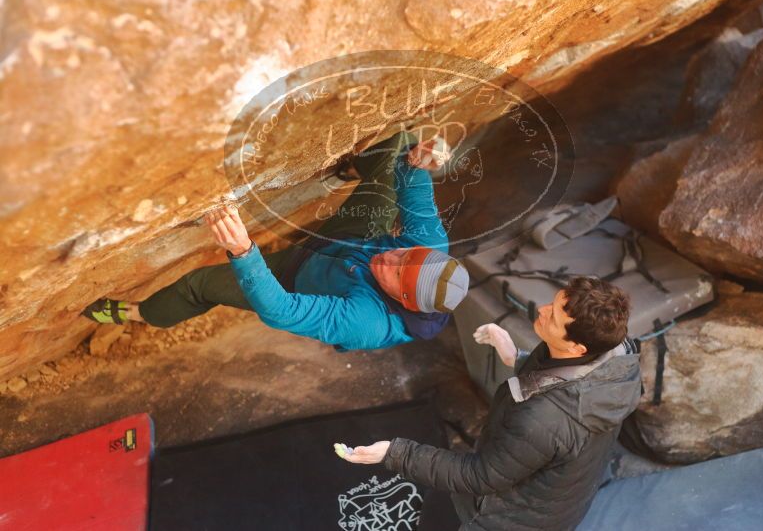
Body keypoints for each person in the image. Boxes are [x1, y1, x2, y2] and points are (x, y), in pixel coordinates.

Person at [82, 132, 470, 351]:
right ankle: (347, 169)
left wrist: (243, 252)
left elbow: (281, 311)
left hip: (293, 279)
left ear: (402, 300)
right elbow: (414, 195)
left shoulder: (365, 324)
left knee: (198, 285)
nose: (390, 258)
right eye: (402, 253)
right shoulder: (428, 249)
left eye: (395, 272)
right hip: (348, 242)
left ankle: (138, 313)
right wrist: (417, 162)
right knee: (397, 145)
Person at [339, 276, 642, 530]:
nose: (543, 310)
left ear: (576, 347)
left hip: (508, 519)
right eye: (554, 302)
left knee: (439, 514)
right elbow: (567, 380)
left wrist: (395, 453)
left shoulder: (542, 420)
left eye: (554, 316)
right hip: (563, 500)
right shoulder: (618, 359)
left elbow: (479, 477)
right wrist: (515, 357)